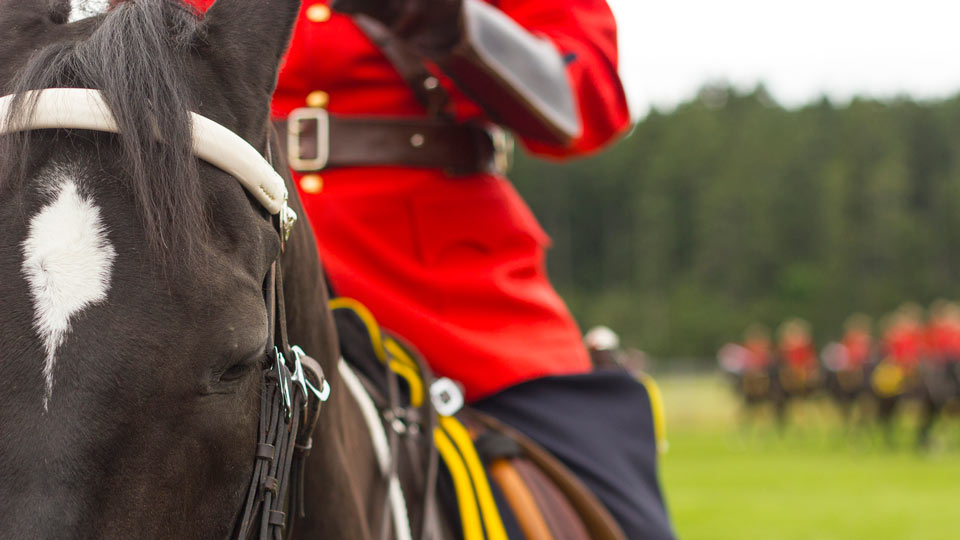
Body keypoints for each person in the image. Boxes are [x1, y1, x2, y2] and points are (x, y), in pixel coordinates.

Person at [184, 0, 675, 538]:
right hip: (208, 256)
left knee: (613, 508)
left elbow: (587, 96)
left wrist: (442, 16)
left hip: (437, 287)